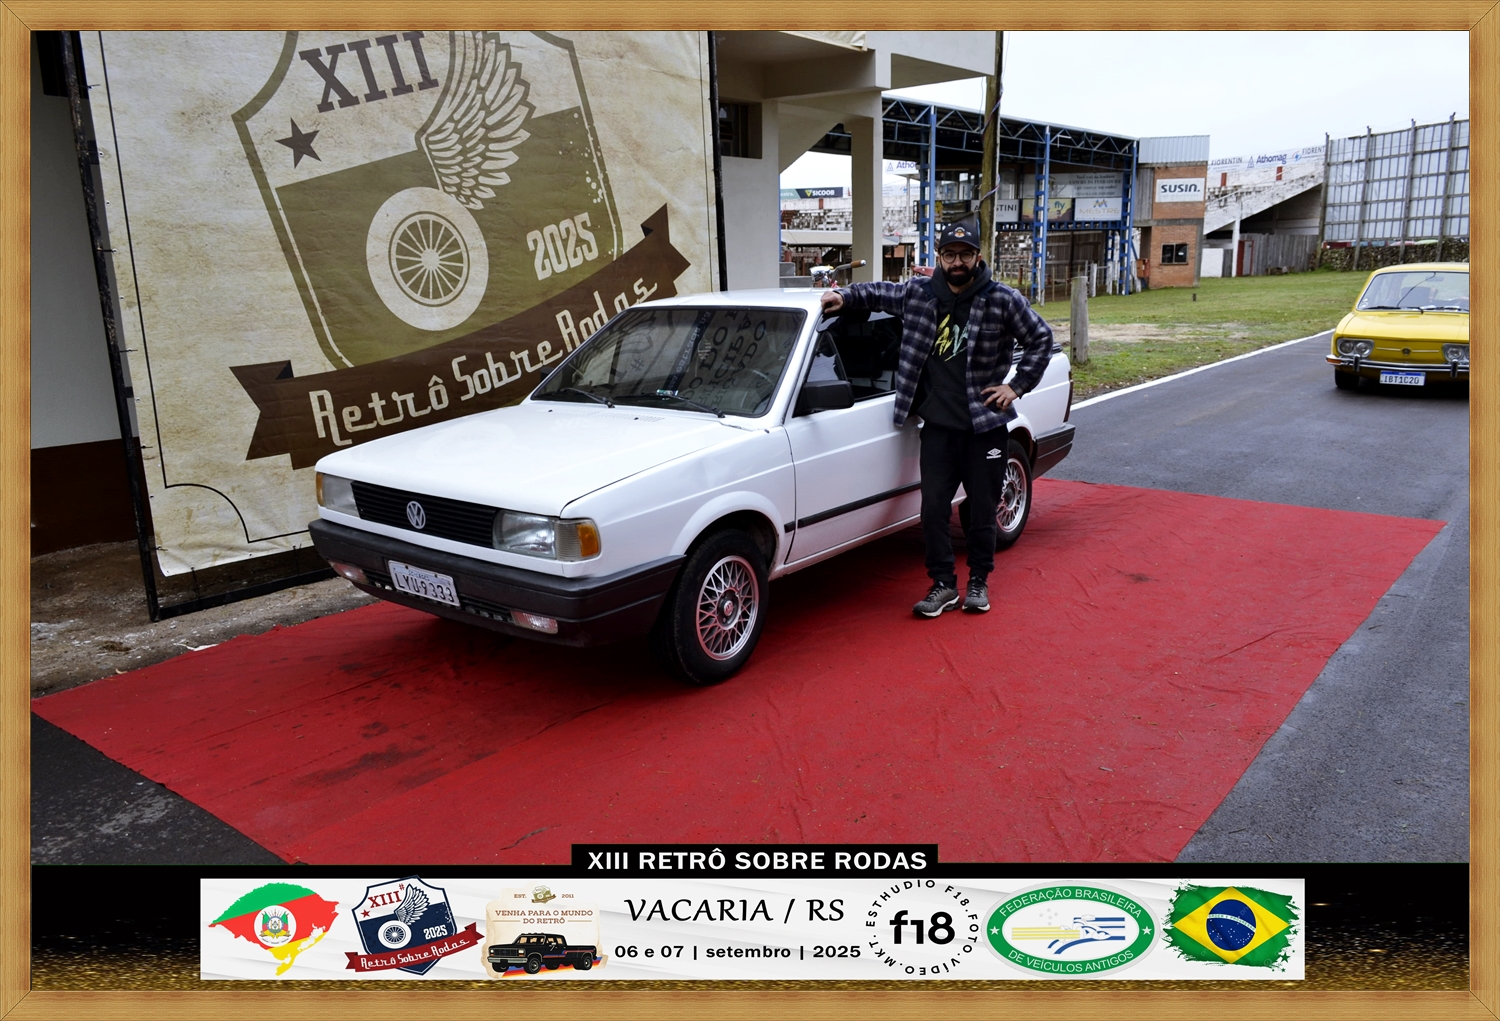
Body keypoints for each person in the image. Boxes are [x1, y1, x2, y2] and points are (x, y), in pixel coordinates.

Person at [820, 218, 1055, 618]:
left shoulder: (1002, 299)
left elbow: (1041, 339)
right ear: (940, 257)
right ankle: (943, 585)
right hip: (938, 427)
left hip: (985, 426)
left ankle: (978, 582)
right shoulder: (920, 293)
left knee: (982, 511)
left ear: (977, 256)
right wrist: (844, 295)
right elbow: (879, 293)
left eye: (965, 254)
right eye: (950, 254)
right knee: (932, 510)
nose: (957, 262)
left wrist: (1016, 387)